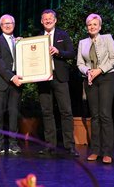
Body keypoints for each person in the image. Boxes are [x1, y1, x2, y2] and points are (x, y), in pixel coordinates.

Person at [77, 13, 114, 164]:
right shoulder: (83, 43)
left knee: (105, 114)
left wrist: (99, 70)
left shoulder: (107, 38)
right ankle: (95, 150)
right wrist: (87, 71)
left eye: (95, 24)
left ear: (99, 26)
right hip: (90, 80)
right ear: (87, 27)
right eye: (89, 25)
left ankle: (107, 152)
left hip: (106, 78)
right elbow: (79, 63)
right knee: (94, 116)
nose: (92, 27)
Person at [38, 9, 79, 157]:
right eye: (45, 19)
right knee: (47, 112)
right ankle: (49, 145)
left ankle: (69, 146)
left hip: (60, 77)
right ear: (42, 21)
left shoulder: (63, 35)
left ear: (55, 20)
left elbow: (72, 53)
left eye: (50, 18)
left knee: (66, 112)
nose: (48, 20)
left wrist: (58, 51)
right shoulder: (37, 37)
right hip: (43, 79)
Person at [0, 14, 23, 155]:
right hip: (0, 83)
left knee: (14, 114)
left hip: (17, 83)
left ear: (14, 25)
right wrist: (11, 77)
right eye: (4, 24)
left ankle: (13, 144)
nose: (8, 25)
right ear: (1, 26)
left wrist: (22, 45)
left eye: (10, 23)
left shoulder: (19, 42)